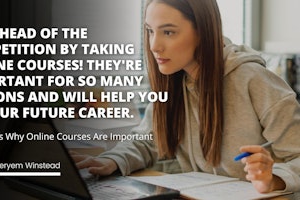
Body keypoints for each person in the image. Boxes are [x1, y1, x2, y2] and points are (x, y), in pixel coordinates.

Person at [71, 0, 300, 196]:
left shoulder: (253, 80)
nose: (154, 46)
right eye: (150, 31)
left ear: (203, 32)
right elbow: (148, 141)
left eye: (168, 32)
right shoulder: (173, 79)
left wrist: (273, 179)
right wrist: (111, 160)